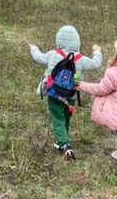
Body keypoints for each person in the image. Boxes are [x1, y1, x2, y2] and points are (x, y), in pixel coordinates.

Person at [29, 27, 102, 160]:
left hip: (54, 92)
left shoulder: (53, 54)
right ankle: (61, 140)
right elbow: (96, 64)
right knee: (66, 116)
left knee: (57, 117)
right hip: (71, 93)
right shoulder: (81, 58)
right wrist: (97, 51)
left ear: (58, 40)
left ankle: (65, 145)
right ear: (77, 42)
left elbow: (39, 58)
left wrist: (34, 48)